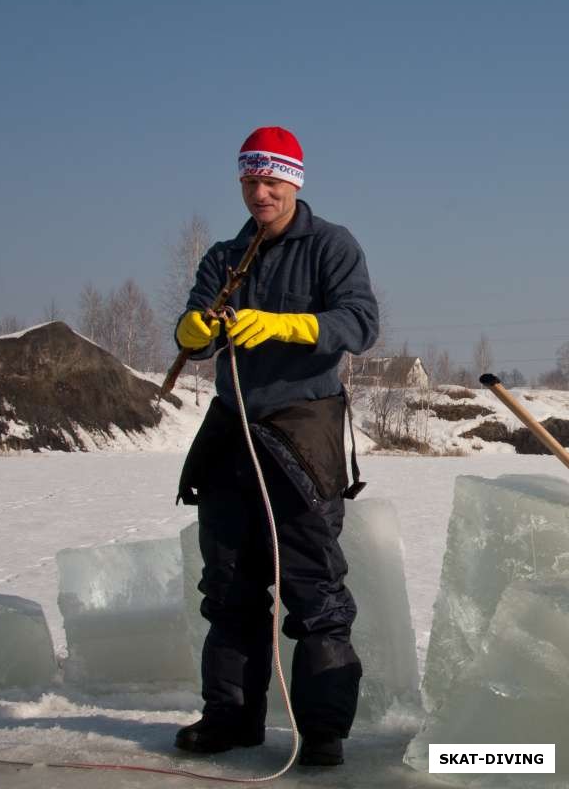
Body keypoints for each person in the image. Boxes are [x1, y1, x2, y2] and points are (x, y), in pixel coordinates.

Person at [173, 126, 379, 767]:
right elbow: (193, 338)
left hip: (303, 432)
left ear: (294, 181)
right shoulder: (224, 258)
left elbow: (362, 323)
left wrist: (288, 325)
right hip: (233, 433)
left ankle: (322, 731)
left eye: (272, 181)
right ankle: (231, 720)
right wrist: (195, 329)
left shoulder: (331, 245)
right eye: (250, 182)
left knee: (315, 590)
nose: (260, 193)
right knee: (230, 588)